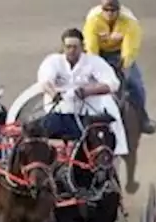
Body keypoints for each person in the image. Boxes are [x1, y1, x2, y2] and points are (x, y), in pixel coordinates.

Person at [35, 27, 128, 156]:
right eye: (68, 47)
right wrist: (54, 94)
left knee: (103, 137)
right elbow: (45, 81)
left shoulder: (94, 62)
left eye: (75, 47)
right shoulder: (53, 61)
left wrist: (87, 91)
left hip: (88, 114)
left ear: (83, 46)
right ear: (63, 47)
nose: (71, 50)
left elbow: (112, 84)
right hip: (58, 112)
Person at [83, 0, 155, 134]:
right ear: (101, 9)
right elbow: (91, 46)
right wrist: (95, 66)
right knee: (85, 82)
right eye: (106, 10)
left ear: (118, 10)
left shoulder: (129, 22)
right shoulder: (93, 21)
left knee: (135, 84)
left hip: (119, 53)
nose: (110, 13)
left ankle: (143, 119)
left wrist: (125, 64)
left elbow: (130, 46)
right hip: (99, 53)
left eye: (113, 10)